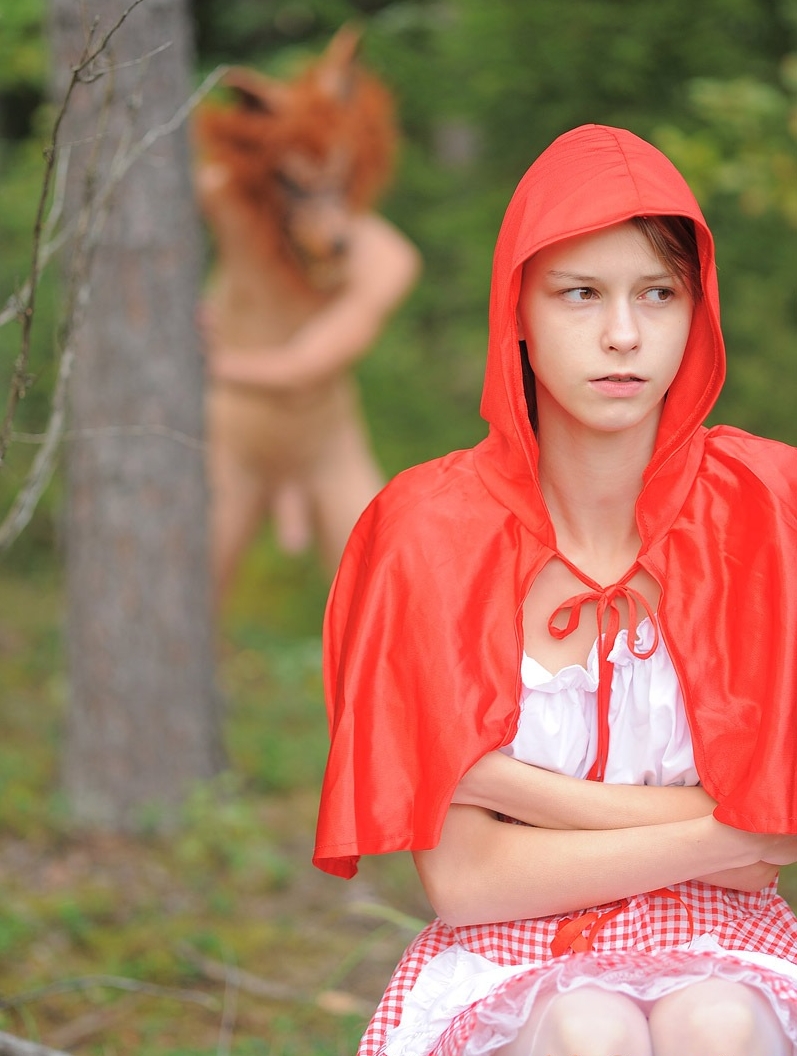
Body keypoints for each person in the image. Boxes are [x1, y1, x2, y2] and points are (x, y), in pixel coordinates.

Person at [312, 124, 797, 1055]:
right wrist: (725, 832)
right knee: (588, 1028)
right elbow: (468, 882)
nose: (623, 335)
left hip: (731, 952)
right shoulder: (428, 531)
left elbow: (775, 846)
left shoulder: (768, 508)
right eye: (580, 294)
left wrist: (507, 785)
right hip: (505, 965)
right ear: (519, 311)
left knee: (718, 1021)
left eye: (657, 293)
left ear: (696, 309)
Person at [192, 26, 421, 605]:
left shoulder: (385, 258)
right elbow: (141, 236)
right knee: (190, 598)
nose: (322, 208)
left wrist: (207, 363)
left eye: (334, 181)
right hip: (231, 439)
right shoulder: (232, 207)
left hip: (324, 439)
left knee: (384, 592)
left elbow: (307, 364)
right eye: (299, 182)